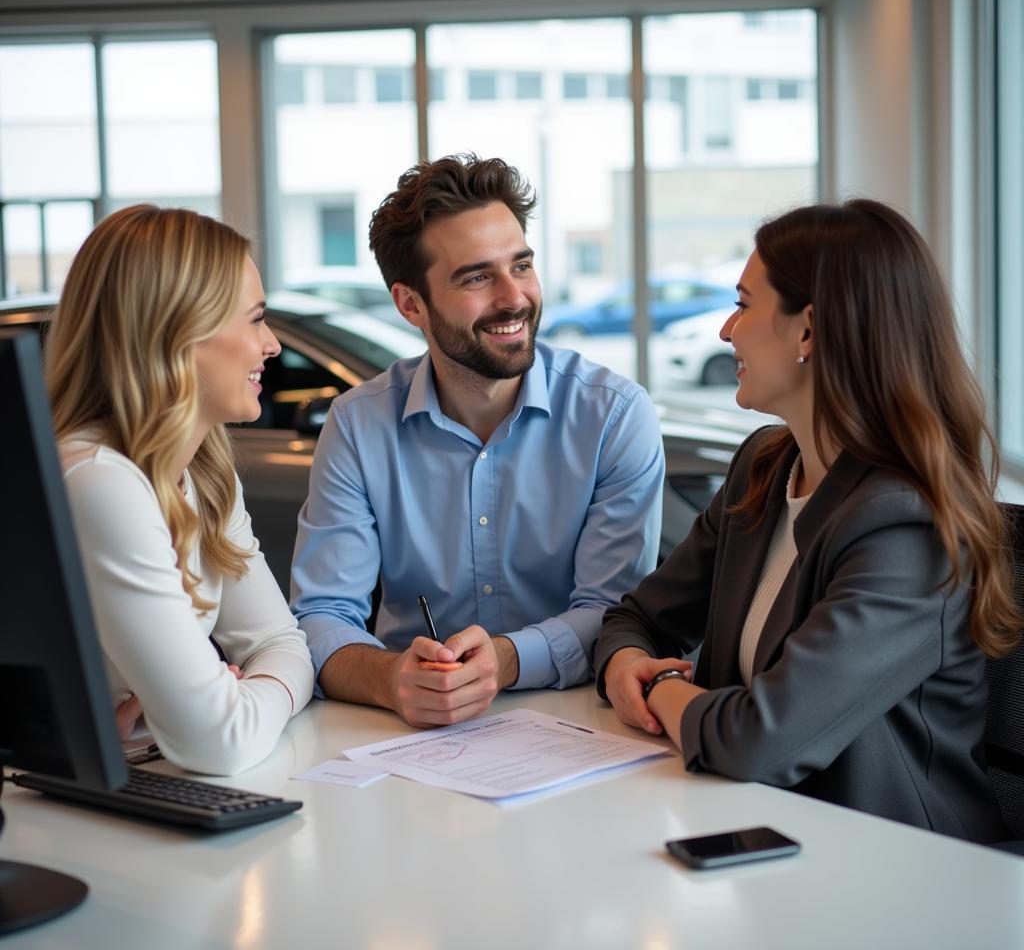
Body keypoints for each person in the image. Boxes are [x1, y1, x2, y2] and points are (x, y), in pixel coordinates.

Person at [597, 198, 1018, 841]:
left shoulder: (910, 529)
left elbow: (759, 739)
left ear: (809, 331)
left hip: (898, 873)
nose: (725, 331)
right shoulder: (764, 470)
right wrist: (625, 663)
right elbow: (638, 618)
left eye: (743, 304)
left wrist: (661, 695)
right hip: (759, 830)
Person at [291, 154, 665, 727]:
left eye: (521, 266)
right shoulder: (359, 424)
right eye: (477, 277)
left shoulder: (612, 414)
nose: (514, 297)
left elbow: (616, 614)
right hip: (411, 736)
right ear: (410, 303)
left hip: (585, 729)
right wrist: (391, 678)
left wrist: (506, 661)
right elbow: (321, 616)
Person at [45, 205, 314, 776]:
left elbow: (283, 644)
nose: (271, 345)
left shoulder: (205, 473)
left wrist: (241, 698)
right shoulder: (98, 481)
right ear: (180, 334)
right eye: (255, 319)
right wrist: (235, 704)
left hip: (130, 788)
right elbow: (220, 742)